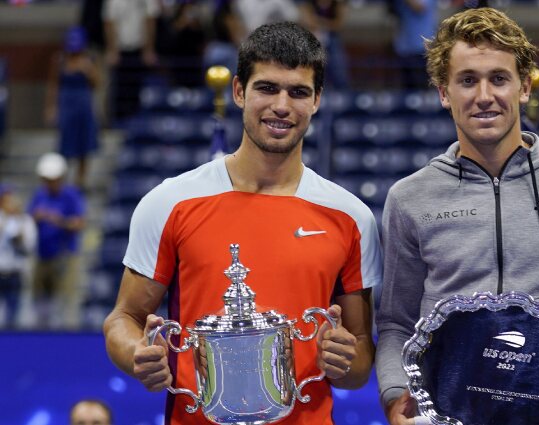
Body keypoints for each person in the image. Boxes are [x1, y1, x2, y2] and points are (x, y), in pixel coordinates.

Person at [374, 8, 539, 425]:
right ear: (443, 92)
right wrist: (396, 394)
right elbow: (396, 321)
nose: (484, 95)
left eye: (498, 78)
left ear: (523, 86)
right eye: (467, 80)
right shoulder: (410, 197)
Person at [103, 22, 383, 425]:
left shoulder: (351, 217)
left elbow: (359, 360)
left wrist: (347, 358)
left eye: (298, 92)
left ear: (318, 99)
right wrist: (138, 355)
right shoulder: (170, 202)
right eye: (267, 88)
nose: (282, 106)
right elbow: (123, 318)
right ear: (239, 91)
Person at [28, 152, 86, 329]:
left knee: (65, 299)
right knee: (39, 298)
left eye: (52, 179)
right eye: (45, 179)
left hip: (65, 256)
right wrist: (36, 218)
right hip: (42, 255)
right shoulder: (39, 194)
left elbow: (79, 223)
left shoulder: (71, 195)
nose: (49, 183)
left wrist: (57, 220)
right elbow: (29, 218)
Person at [45, 26, 101, 189]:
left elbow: (97, 84)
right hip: (66, 104)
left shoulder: (90, 59)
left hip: (83, 104)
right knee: (65, 143)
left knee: (84, 143)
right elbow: (53, 85)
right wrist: (50, 108)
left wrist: (89, 71)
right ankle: (61, 180)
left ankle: (80, 181)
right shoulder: (59, 59)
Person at [0, 184, 36, 328]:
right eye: (6, 199)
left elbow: (29, 247)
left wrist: (19, 237)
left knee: (13, 315)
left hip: (15, 273)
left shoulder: (25, 221)